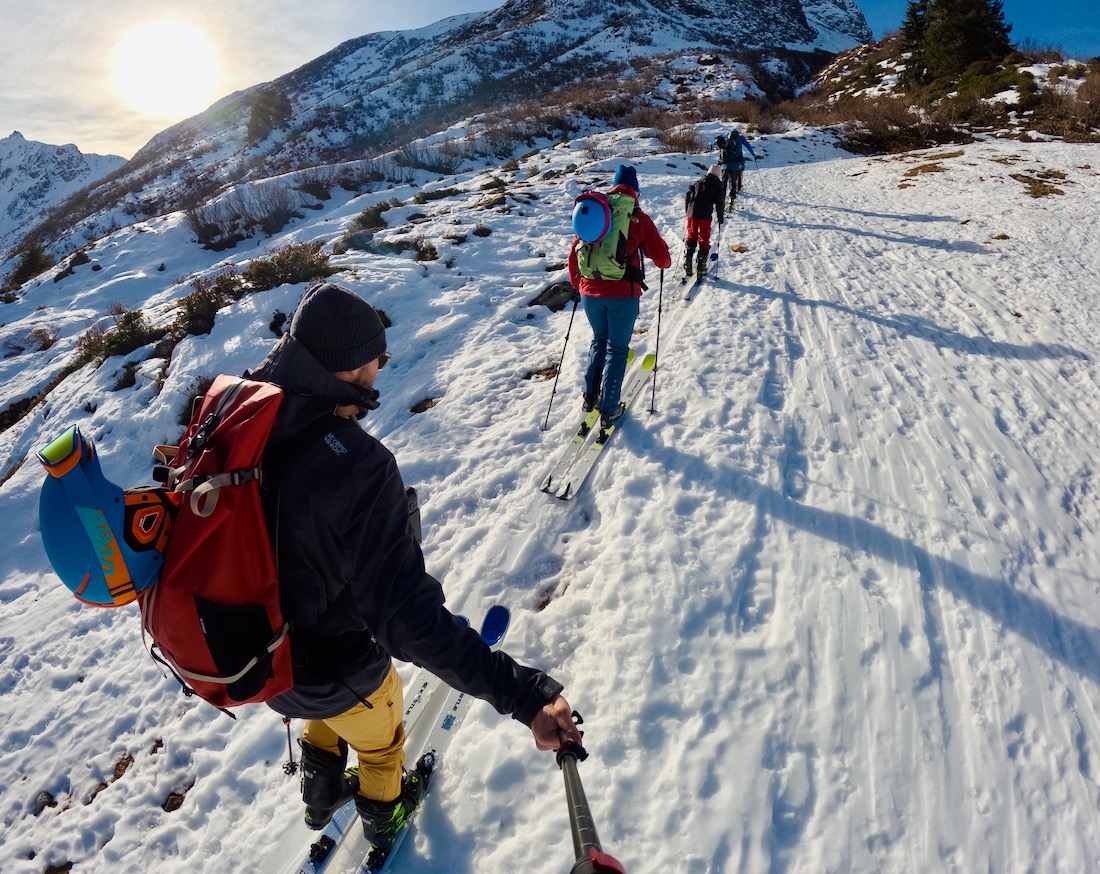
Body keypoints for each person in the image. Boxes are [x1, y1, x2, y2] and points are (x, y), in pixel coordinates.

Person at [245, 283, 583, 853]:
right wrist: (525, 695)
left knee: (330, 716)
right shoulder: (358, 468)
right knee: (380, 743)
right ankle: (384, 819)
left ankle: (320, 794)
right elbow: (408, 619)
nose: (380, 371)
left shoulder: (244, 412)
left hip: (262, 665)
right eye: (375, 362)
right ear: (350, 368)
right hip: (342, 673)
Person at [567, 165, 671, 430]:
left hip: (589, 292)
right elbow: (662, 258)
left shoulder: (597, 210)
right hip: (622, 295)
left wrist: (579, 285)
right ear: (635, 192)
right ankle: (609, 408)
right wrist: (662, 261)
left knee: (599, 340)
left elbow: (575, 250)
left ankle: (589, 397)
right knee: (617, 348)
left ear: (613, 187)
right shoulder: (638, 218)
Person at [683, 165, 725, 278]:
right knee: (704, 238)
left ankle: (687, 261)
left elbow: (687, 196)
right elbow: (720, 202)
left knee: (692, 236)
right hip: (705, 215)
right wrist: (720, 216)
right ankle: (701, 266)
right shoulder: (717, 185)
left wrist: (688, 211)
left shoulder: (698, 182)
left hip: (692, 214)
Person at [715, 131, 758, 207]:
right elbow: (742, 152)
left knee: (723, 183)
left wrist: (719, 163)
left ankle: (721, 200)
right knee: (733, 182)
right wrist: (742, 164)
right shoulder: (738, 142)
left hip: (725, 166)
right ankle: (732, 199)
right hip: (735, 166)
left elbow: (721, 156)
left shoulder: (725, 142)